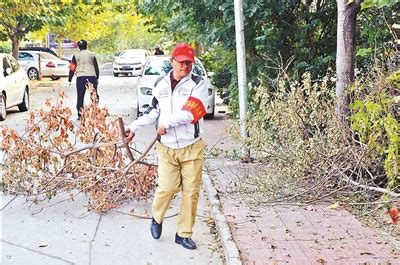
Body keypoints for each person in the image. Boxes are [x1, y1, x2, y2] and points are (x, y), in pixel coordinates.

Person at [124, 42, 207, 250]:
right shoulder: (160, 83)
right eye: (181, 63)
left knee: (191, 192)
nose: (185, 67)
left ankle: (183, 234)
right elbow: (153, 111)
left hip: (192, 147)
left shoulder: (198, 83)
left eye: (189, 63)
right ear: (172, 61)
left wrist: (167, 122)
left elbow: (192, 112)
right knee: (167, 187)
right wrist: (134, 126)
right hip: (167, 148)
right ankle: (157, 217)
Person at [68, 39, 99, 120]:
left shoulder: (76, 56)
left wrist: (69, 79)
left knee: (80, 97)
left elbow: (72, 68)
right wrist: (97, 77)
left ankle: (80, 114)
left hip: (81, 78)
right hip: (92, 77)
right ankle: (94, 112)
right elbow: (96, 67)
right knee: (94, 96)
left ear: (79, 47)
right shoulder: (92, 55)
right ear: (86, 46)